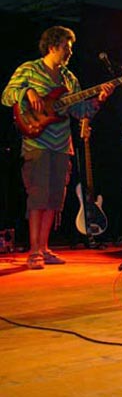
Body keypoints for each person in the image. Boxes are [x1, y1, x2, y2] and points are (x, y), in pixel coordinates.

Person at [2, 26, 115, 270]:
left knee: (55, 198)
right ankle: (34, 251)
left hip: (63, 145)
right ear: (53, 46)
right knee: (38, 196)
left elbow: (80, 111)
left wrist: (98, 100)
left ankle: (44, 248)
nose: (70, 52)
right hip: (37, 142)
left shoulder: (69, 78)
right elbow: (6, 96)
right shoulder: (29, 69)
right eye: (66, 47)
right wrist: (27, 91)